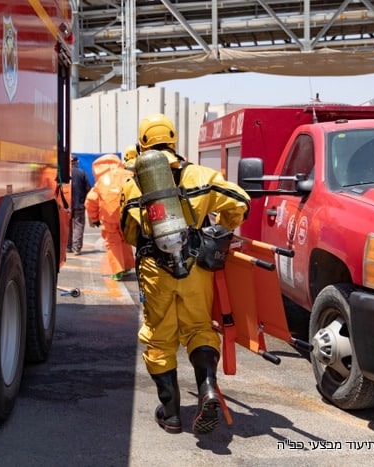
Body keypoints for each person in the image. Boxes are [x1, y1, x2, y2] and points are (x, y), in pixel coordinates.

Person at [119, 113, 250, 436]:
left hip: (155, 270)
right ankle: (207, 389)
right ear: (173, 139)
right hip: (196, 268)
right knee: (199, 329)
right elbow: (240, 202)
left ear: (143, 144)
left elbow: (129, 232)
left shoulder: (134, 184)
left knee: (159, 338)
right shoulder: (201, 175)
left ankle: (172, 414)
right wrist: (220, 230)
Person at [84, 154, 135, 280]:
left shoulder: (101, 181)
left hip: (109, 217)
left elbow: (91, 200)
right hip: (127, 215)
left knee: (112, 243)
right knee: (125, 240)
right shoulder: (128, 175)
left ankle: (117, 270)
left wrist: (94, 218)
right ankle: (128, 266)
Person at [67, 155, 92, 255]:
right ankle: (76, 248)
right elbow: (89, 189)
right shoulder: (82, 173)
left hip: (67, 205)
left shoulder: (65, 174)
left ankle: (68, 246)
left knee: (67, 225)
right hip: (79, 204)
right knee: (78, 226)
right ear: (77, 162)